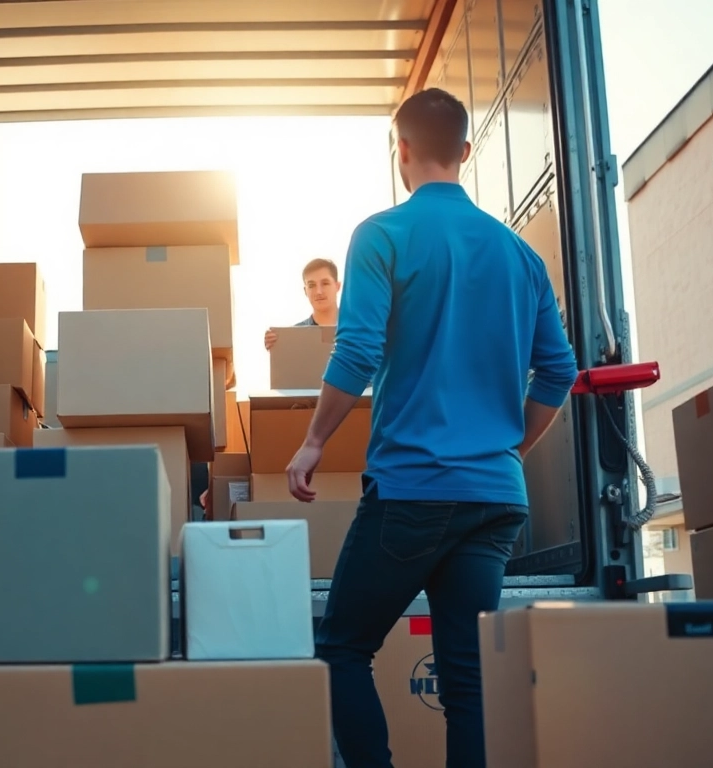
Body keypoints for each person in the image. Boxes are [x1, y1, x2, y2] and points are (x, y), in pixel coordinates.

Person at [285, 88, 578, 768]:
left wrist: (314, 440)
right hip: (494, 498)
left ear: (403, 151)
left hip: (414, 490)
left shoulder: (383, 235)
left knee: (342, 649)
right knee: (467, 680)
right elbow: (559, 372)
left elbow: (357, 350)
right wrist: (509, 450)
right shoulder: (520, 256)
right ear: (466, 152)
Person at [263, 258, 342, 351]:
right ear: (305, 291)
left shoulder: (355, 328)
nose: (318, 291)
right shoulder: (292, 338)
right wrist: (277, 348)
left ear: (337, 286)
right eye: (311, 285)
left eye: (325, 283)